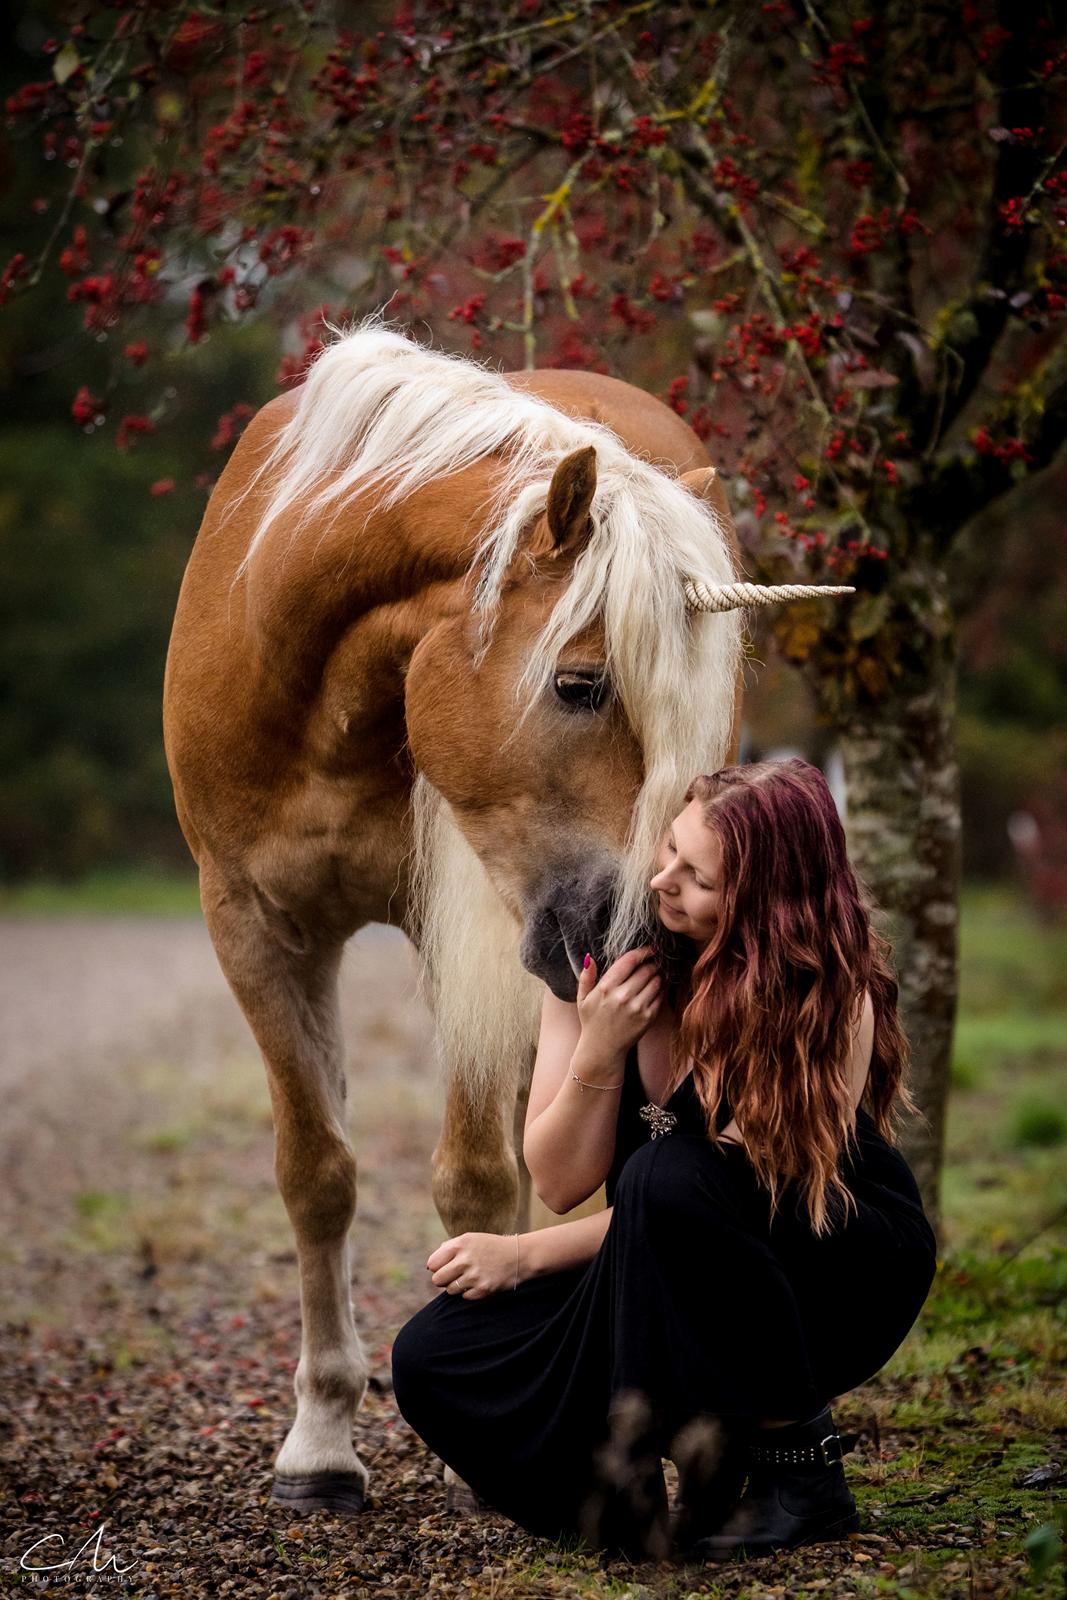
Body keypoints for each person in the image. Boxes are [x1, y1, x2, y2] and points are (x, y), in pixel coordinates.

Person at [390, 759, 938, 1563]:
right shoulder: (597, 953)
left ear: (761, 898)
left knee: (669, 1175)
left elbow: (745, 1198)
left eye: (699, 878)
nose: (664, 883)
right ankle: (617, 1510)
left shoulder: (824, 990)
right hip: (654, 1257)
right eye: (669, 852)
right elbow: (557, 1178)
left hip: (823, 1265)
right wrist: (601, 1047)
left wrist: (524, 1252)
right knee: (432, 1355)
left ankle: (803, 1475)